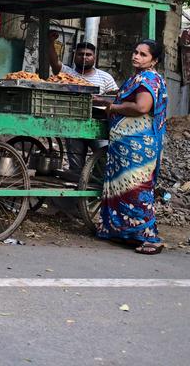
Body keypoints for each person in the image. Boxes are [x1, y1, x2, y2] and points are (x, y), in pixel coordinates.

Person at [95, 40, 168, 255]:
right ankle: (126, 233)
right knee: (123, 190)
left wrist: (113, 107)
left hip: (138, 147)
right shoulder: (136, 78)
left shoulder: (149, 78)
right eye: (135, 52)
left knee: (136, 190)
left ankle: (150, 238)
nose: (136, 56)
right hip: (125, 145)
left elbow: (142, 107)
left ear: (154, 60)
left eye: (143, 55)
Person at [47, 32, 119, 175]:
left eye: (88, 54)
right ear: (74, 56)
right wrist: (50, 42)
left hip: (98, 125)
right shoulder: (67, 73)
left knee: (103, 160)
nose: (84, 57)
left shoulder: (105, 77)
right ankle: (76, 188)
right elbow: (54, 62)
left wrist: (100, 99)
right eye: (80, 54)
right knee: (76, 166)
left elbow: (116, 97)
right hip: (73, 123)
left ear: (94, 57)